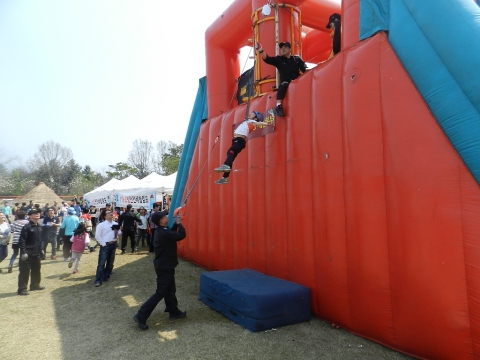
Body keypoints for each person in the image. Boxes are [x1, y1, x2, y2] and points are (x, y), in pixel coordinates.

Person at [133, 210, 187, 330]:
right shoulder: (164, 232)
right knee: (161, 292)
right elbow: (181, 235)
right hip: (165, 266)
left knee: (170, 289)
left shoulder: (162, 231)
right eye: (164, 216)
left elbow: (170, 233)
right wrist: (180, 224)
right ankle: (141, 315)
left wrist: (176, 224)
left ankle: (173, 311)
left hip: (165, 265)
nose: (167, 216)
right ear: (161, 221)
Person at [214, 111, 271, 185]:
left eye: (253, 114)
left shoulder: (252, 121)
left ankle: (226, 165)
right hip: (237, 141)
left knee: (231, 151)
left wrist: (266, 123)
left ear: (255, 118)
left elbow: (258, 123)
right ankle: (225, 177)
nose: (250, 114)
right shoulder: (248, 121)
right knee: (230, 154)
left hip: (239, 140)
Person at [256, 41, 307, 117]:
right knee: (283, 84)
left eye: (285, 47)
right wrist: (261, 50)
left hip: (297, 81)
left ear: (290, 49)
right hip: (286, 83)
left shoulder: (297, 59)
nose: (282, 49)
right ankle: (278, 106)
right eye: (281, 48)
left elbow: (305, 71)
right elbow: (267, 59)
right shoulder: (279, 59)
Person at [18, 209, 45, 295]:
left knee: (36, 269)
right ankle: (22, 289)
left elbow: (40, 240)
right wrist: (23, 252)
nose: (37, 214)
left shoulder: (39, 227)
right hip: (27, 253)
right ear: (30, 216)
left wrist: (41, 250)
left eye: (38, 213)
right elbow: (22, 241)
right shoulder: (26, 227)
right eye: (35, 213)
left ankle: (35, 285)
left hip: (36, 252)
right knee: (24, 271)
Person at [94, 210, 120, 287]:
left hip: (113, 244)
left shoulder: (115, 224)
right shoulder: (101, 225)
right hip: (105, 245)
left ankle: (106, 276)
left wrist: (117, 231)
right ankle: (98, 280)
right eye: (109, 213)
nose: (111, 214)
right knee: (101, 263)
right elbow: (97, 236)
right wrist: (104, 244)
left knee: (110, 262)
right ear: (105, 216)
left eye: (111, 213)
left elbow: (120, 233)